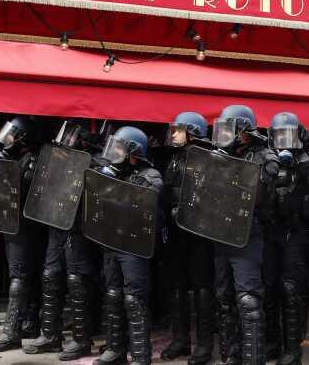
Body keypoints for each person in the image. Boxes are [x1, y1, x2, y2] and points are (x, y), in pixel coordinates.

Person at [23, 120, 98, 361]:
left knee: (77, 281)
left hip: (77, 229)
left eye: (72, 137)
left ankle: (81, 339)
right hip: (56, 223)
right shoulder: (60, 158)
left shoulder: (94, 162)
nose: (66, 140)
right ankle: (51, 335)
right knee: (50, 274)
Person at [211, 105, 280, 365]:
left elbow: (259, 197)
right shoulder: (218, 156)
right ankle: (232, 355)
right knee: (224, 298)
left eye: (230, 129)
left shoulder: (265, 157)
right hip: (220, 234)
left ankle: (253, 359)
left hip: (248, 236)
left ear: (242, 130)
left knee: (248, 302)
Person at [263, 112, 309, 364]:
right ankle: (272, 342)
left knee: (291, 289)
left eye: (287, 135)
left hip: (298, 232)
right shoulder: (268, 162)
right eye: (277, 135)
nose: (282, 141)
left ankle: (292, 348)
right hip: (272, 232)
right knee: (268, 287)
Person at [94, 126, 164, 365]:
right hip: (111, 240)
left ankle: (141, 356)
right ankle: (116, 349)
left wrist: (119, 184)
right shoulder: (111, 171)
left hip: (134, 245)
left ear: (132, 150)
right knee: (113, 295)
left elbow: (148, 200)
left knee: (134, 299)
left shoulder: (150, 174)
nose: (114, 151)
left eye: (119, 147)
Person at [0, 116, 46, 353]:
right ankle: (29, 323)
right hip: (12, 225)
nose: (6, 139)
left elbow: (21, 193)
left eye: (11, 134)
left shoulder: (31, 162)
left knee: (19, 277)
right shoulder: (17, 158)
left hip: (25, 228)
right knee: (23, 275)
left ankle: (12, 332)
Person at [160, 112, 215, 365]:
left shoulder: (208, 160)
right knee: (177, 286)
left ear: (192, 132)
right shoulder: (173, 159)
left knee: (202, 287)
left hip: (199, 232)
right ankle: (180, 339)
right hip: (176, 232)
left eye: (179, 130)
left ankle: (204, 345)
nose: (174, 134)